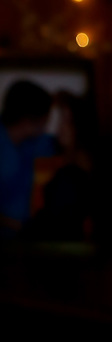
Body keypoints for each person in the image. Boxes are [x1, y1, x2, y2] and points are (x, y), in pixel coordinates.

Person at [0, 79, 58, 231]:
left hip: (35, 237)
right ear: (27, 121)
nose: (47, 123)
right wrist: (17, 226)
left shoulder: (40, 143)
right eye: (46, 117)